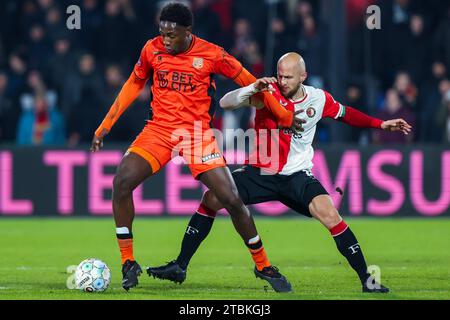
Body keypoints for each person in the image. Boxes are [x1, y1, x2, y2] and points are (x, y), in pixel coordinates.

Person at [148, 52, 413, 293]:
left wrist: (381, 124)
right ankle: (180, 266)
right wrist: (252, 87)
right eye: (280, 75)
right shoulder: (267, 92)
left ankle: (367, 280)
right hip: (260, 172)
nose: (283, 81)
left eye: (288, 76)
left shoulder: (318, 99)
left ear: (303, 76)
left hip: (297, 176)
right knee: (211, 199)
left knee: (330, 213)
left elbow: (346, 114)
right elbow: (228, 103)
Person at [90, 3, 303, 292]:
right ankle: (128, 262)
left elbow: (253, 84)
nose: (164, 40)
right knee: (121, 182)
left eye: (171, 35)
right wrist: (104, 126)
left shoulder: (212, 54)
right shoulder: (151, 50)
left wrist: (284, 116)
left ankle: (263, 265)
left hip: (196, 135)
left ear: (187, 32)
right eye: (162, 33)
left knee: (231, 198)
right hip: (159, 131)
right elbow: (132, 84)